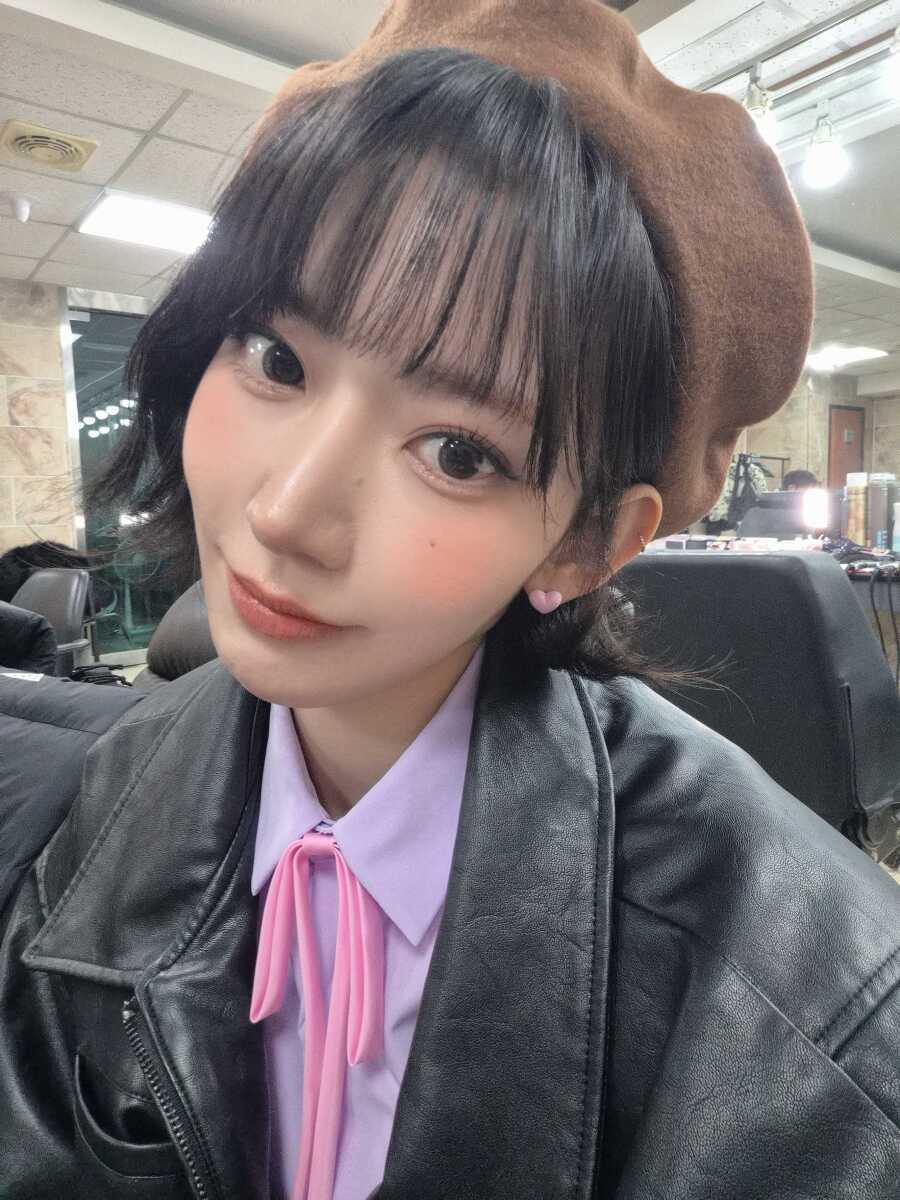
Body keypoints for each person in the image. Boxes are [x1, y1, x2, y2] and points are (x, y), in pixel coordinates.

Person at [1, 2, 898, 1198]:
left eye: (459, 452)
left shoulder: (819, 1025)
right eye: (276, 358)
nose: (288, 512)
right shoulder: (91, 813)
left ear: (587, 542)